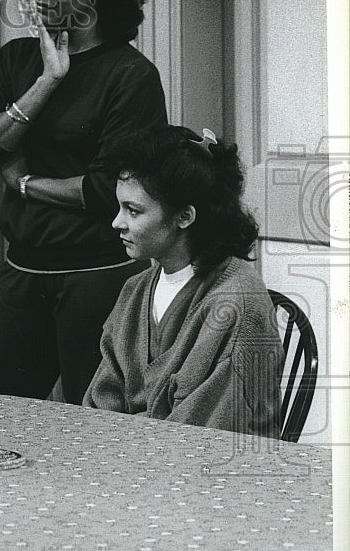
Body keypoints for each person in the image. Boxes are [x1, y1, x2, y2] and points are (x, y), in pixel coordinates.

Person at [0, 0, 167, 403]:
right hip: (24, 268)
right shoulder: (17, 60)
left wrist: (26, 182)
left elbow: (104, 192)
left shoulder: (130, 76)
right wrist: (48, 81)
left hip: (101, 277)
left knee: (93, 421)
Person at [84, 125, 282, 436]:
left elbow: (204, 435)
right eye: (119, 207)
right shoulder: (135, 290)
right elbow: (99, 404)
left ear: (184, 217)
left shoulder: (237, 305)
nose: (116, 222)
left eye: (133, 211)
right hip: (130, 461)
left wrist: (127, 432)